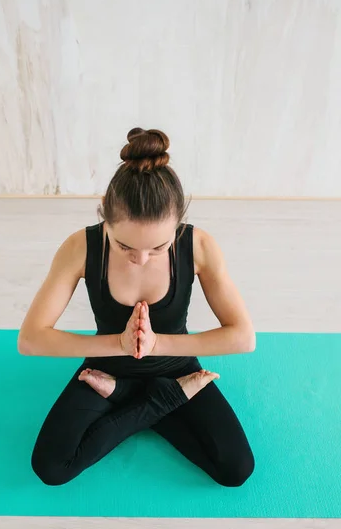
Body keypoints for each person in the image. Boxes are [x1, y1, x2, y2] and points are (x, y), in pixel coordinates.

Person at [18, 127, 256, 488]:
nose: (141, 259)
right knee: (51, 467)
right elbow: (31, 339)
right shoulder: (81, 247)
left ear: (177, 226)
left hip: (176, 369)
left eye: (158, 247)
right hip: (107, 369)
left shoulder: (200, 246)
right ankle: (152, 401)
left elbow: (243, 337)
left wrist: (158, 345)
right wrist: (118, 345)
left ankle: (134, 400)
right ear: (106, 220)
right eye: (125, 246)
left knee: (236, 469)